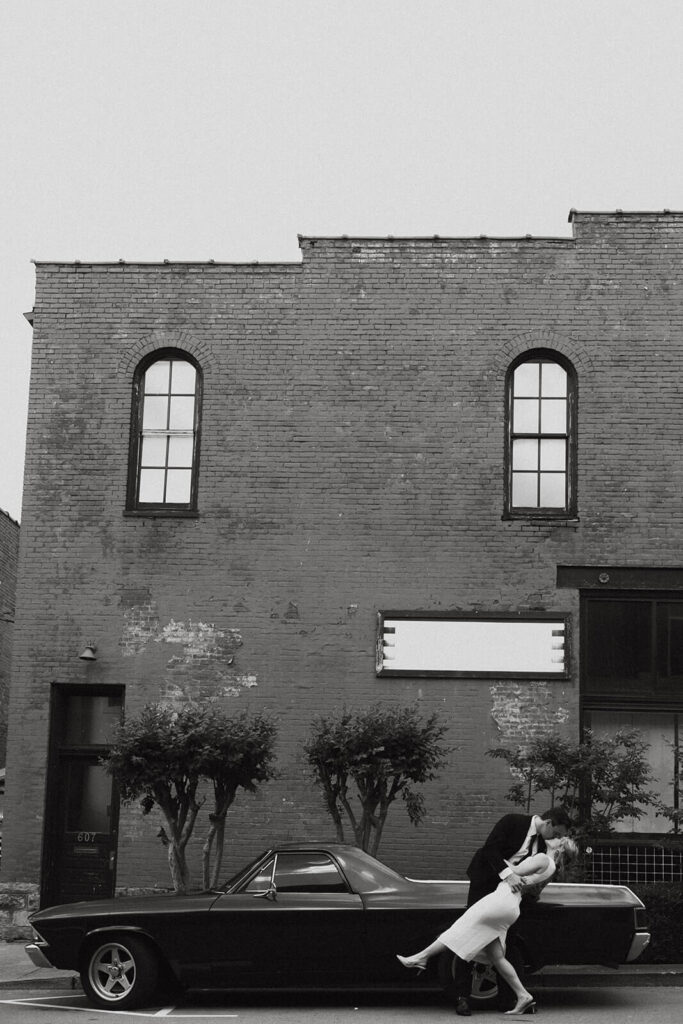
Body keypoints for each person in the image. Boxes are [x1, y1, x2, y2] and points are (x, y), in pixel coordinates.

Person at [397, 835, 578, 1016]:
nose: (553, 838)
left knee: (460, 928)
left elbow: (513, 869)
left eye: (558, 839)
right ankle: (524, 996)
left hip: (502, 900)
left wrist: (493, 855)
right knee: (497, 956)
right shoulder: (550, 868)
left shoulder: (543, 859)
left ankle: (421, 957)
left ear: (560, 848)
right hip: (510, 906)